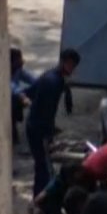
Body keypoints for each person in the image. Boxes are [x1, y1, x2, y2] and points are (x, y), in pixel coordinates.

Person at [24, 48, 78, 203]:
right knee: (44, 167)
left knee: (42, 165)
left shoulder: (49, 76)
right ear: (65, 63)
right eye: (72, 66)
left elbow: (30, 93)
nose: (73, 70)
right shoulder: (54, 82)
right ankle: (41, 201)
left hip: (35, 126)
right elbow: (47, 110)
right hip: (39, 129)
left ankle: (40, 198)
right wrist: (50, 133)